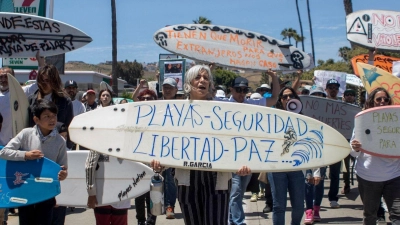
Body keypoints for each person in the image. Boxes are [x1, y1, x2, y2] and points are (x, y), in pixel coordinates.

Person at [150, 65, 251, 225]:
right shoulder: (176, 111)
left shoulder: (223, 112)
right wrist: (159, 163)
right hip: (187, 180)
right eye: (198, 77)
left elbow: (234, 141)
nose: (202, 80)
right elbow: (167, 141)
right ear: (188, 83)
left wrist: (241, 163)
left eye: (206, 77)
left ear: (210, 84)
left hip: (217, 179)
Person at [0, 99, 68, 225]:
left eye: (54, 116)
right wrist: (25, 155)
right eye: (47, 116)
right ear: (36, 119)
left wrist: (63, 174)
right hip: (25, 190)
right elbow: (4, 152)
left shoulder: (60, 141)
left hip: (46, 193)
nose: (52, 119)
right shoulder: (26, 134)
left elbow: (63, 168)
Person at [224, 74, 279, 225]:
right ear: (231, 90)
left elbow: (274, 98)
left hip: (248, 156)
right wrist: (210, 70)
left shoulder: (252, 104)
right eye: (238, 90)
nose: (241, 93)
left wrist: (274, 77)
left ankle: (231, 220)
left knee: (239, 192)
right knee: (234, 192)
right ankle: (237, 221)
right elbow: (206, 97)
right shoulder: (222, 104)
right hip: (229, 157)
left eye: (244, 90)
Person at [26, 65, 73, 224]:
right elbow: (27, 126)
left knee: (56, 204)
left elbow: (68, 127)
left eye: (48, 80)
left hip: (56, 155)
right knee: (34, 203)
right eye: (41, 80)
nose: (44, 83)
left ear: (54, 80)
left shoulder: (64, 100)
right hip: (35, 156)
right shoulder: (32, 98)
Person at [268, 87, 320, 225]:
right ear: (280, 100)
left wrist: (315, 170)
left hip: (296, 168)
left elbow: (311, 145)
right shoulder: (273, 117)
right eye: (284, 97)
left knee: (298, 206)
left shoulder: (303, 120)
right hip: (277, 168)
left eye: (291, 96)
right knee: (279, 206)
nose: (288, 99)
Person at [350, 87, 400, 225]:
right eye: (379, 99)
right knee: (370, 215)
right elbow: (352, 152)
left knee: (398, 215)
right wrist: (355, 148)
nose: (382, 101)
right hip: (368, 177)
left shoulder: (397, 120)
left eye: (386, 99)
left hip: (394, 176)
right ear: (372, 101)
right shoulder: (363, 120)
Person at [159, 77, 178, 219]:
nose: (167, 89)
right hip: (158, 146)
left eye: (170, 87)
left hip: (174, 148)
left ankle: (170, 206)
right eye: (165, 87)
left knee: (171, 179)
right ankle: (158, 204)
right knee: (159, 177)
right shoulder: (155, 105)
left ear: (176, 90)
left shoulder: (181, 105)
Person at [324, 78, 342, 208]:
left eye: (336, 87)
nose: (333, 89)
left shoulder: (343, 106)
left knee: (335, 174)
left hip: (337, 144)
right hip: (323, 144)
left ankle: (333, 197)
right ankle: (316, 199)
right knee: (319, 172)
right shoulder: (319, 103)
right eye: (331, 87)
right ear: (326, 89)